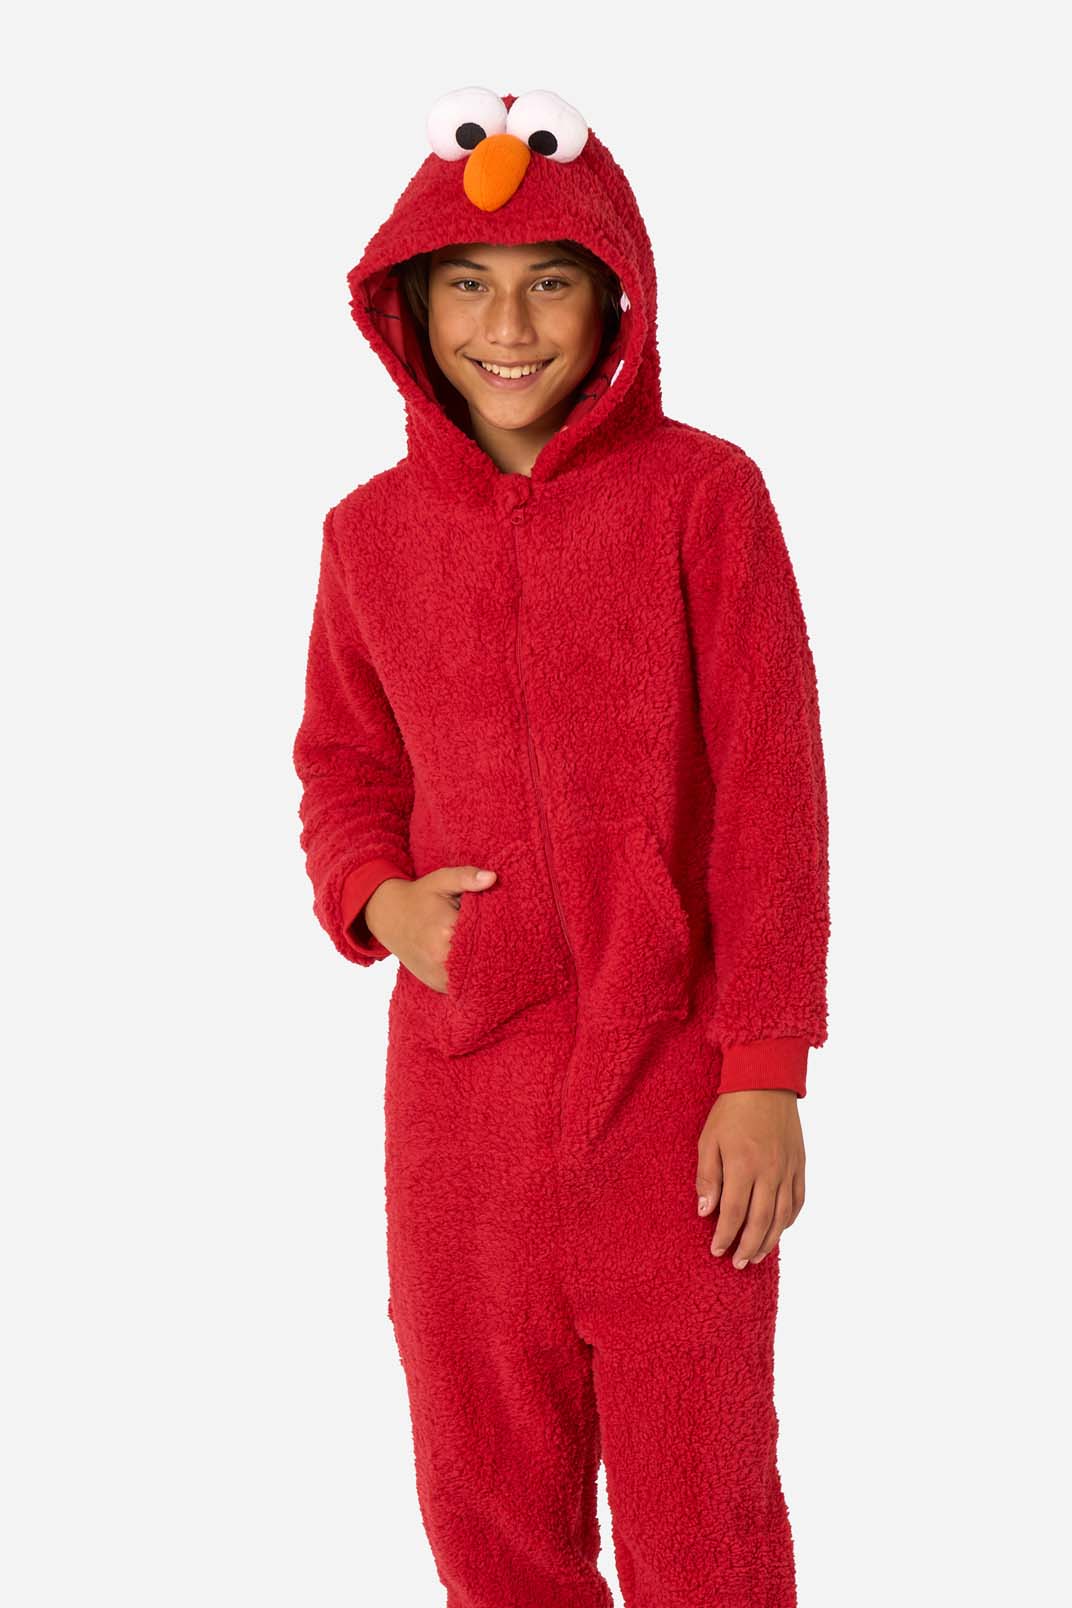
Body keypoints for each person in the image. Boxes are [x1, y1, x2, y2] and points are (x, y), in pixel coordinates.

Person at [293, 84, 830, 1608]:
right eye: (467, 283)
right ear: (411, 306)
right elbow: (343, 770)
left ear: (617, 303)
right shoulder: (367, 537)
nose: (508, 325)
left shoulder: (704, 500)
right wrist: (380, 902)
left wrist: (765, 1070)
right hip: (460, 1111)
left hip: (674, 1092)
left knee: (705, 1518)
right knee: (487, 1513)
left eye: (551, 282)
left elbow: (775, 796)